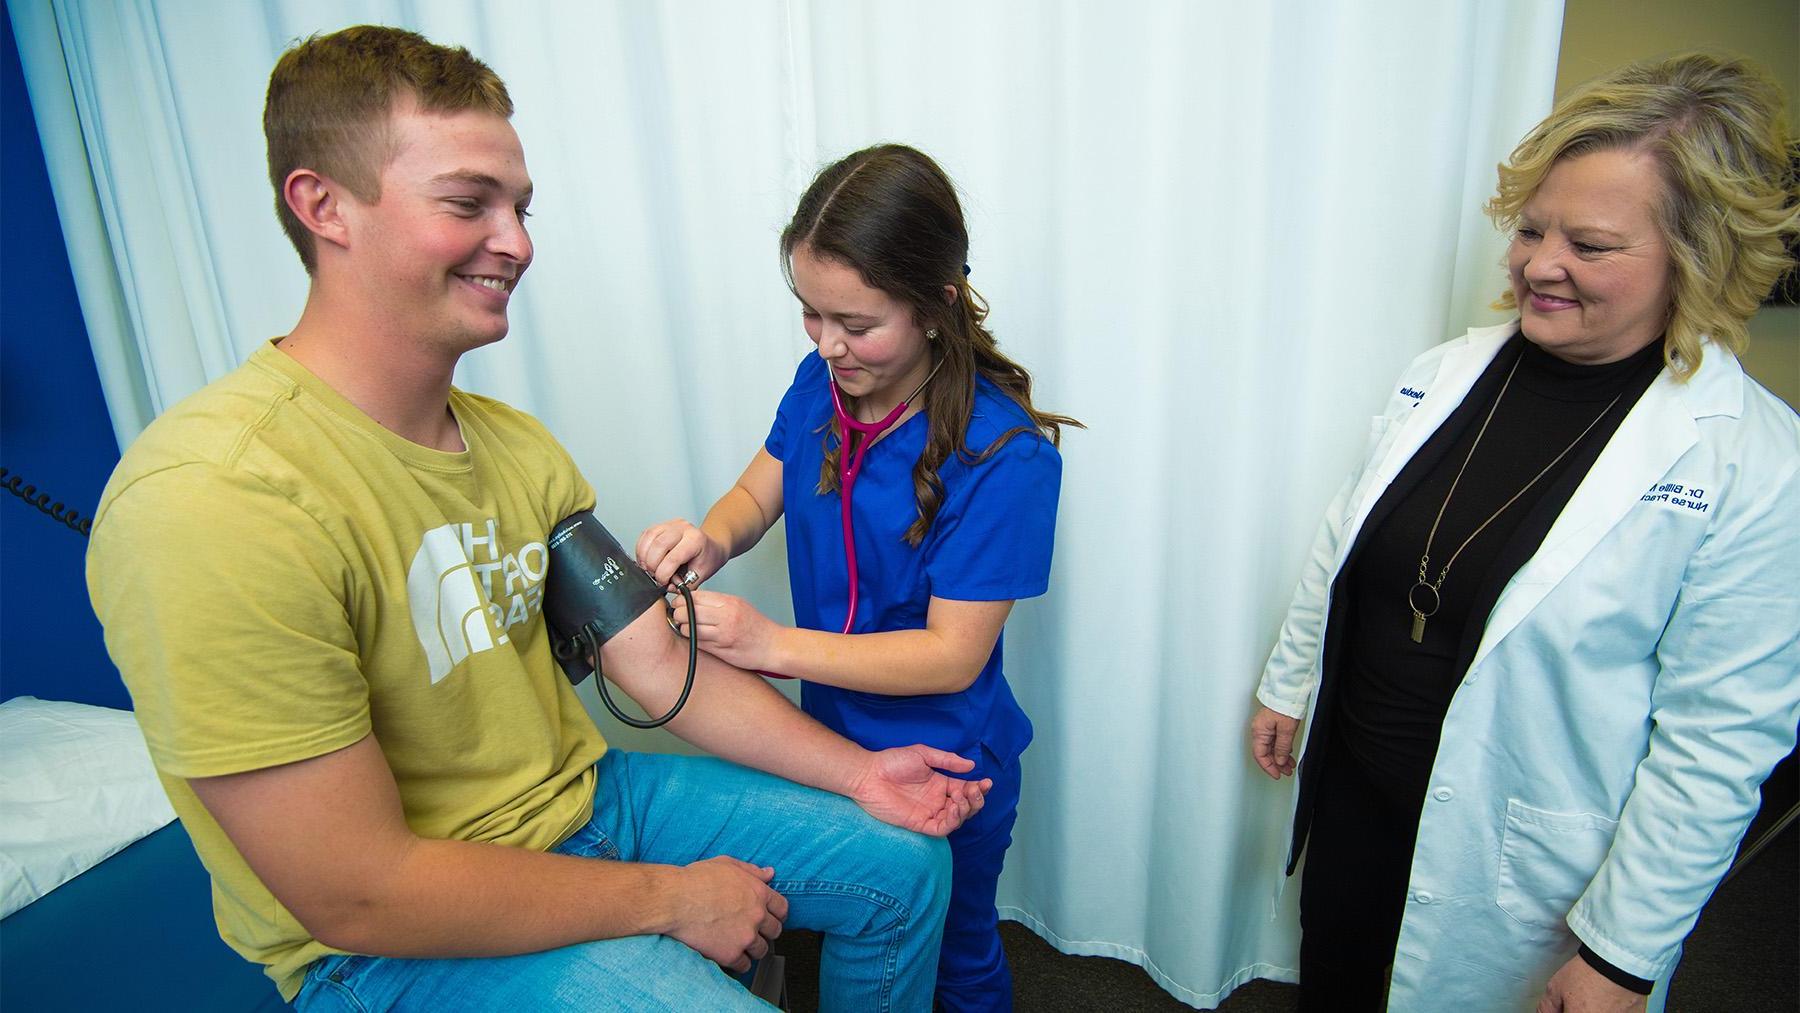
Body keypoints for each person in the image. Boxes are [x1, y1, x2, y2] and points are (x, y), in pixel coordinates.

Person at [86, 27, 993, 1012]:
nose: (516, 240)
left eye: (520, 207)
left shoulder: (518, 449)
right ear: (323, 207)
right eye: (469, 203)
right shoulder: (214, 503)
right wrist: (675, 899)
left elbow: (654, 664)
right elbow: (357, 892)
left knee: (902, 859)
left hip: (589, 803)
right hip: (390, 941)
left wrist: (864, 774)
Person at [1248, 52, 1800, 1013]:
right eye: (1533, 229)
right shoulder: (1447, 372)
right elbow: (1349, 543)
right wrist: (1292, 680)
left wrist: (1621, 957)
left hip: (1522, 859)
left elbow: (1718, 743)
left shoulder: (1752, 463)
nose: (1541, 263)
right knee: (1338, 981)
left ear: (1697, 258)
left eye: (1588, 245)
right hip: (1359, 795)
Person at [635, 144, 1076, 1012]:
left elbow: (952, 656)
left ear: (936, 304)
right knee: (861, 933)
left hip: (949, 759)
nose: (829, 342)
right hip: (833, 742)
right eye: (810, 313)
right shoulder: (823, 384)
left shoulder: (1003, 455)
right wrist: (709, 537)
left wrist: (768, 644)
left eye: (856, 322)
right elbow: (759, 490)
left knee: (954, 951)